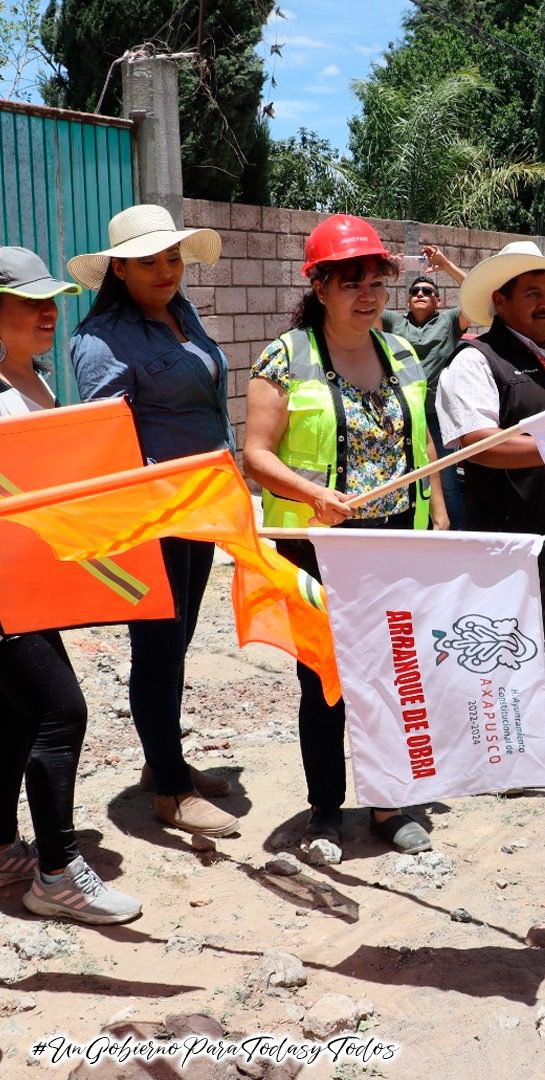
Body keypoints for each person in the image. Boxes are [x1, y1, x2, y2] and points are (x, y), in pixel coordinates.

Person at [244, 214, 447, 862]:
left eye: (376, 281)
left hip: (394, 541)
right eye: (350, 280)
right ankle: (327, 811)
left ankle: (389, 803)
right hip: (317, 546)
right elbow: (255, 454)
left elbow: (426, 441)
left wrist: (440, 513)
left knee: (393, 676)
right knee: (325, 681)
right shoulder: (286, 356)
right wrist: (312, 495)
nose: (368, 293)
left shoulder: (403, 353)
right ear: (321, 286)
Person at [68, 204, 238, 839]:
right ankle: (170, 789)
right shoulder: (103, 338)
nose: (166, 270)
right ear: (120, 269)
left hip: (199, 504)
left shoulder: (181, 315)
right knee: (158, 648)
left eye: (172, 257)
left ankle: (163, 762)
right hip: (153, 514)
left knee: (180, 639)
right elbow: (103, 436)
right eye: (148, 261)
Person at [436, 241, 545, 770]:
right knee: (504, 645)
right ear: (501, 300)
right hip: (508, 535)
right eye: (533, 293)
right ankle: (503, 747)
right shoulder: (476, 361)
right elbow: (478, 444)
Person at [0, 246, 141, 923]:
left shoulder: (35, 381)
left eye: (49, 300)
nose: (46, 313)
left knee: (15, 715)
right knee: (62, 714)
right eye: (28, 302)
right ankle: (56, 873)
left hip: (32, 582)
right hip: (5, 592)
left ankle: (4, 849)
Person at [382, 245, 469, 528]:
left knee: (446, 483)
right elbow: (361, 305)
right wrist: (386, 269)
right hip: (398, 416)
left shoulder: (449, 322)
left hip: (436, 418)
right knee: (398, 481)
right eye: (414, 291)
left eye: (427, 291)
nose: (420, 294)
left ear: (438, 300)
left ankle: (459, 542)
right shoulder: (393, 322)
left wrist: (445, 265)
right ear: (407, 301)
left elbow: (481, 297)